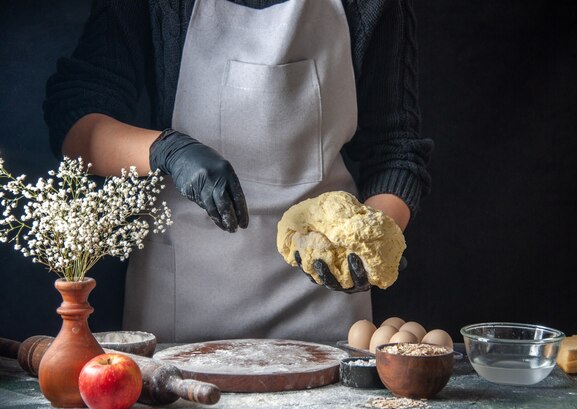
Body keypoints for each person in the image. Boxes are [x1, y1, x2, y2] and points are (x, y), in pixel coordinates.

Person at [43, 0, 433, 343]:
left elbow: (395, 150)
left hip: (322, 305)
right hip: (185, 303)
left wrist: (374, 236)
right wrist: (167, 150)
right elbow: (76, 124)